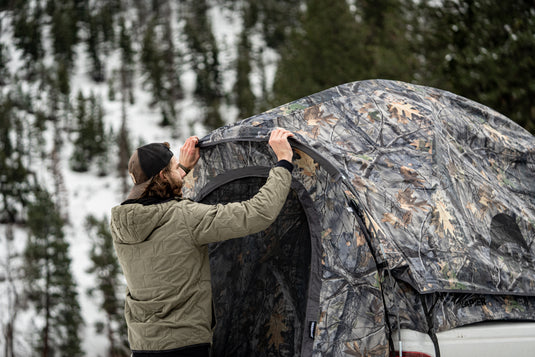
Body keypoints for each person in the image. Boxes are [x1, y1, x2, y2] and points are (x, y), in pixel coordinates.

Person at [110, 128, 295, 357]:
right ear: (162, 176)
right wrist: (284, 163)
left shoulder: (121, 224)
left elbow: (156, 206)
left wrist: (182, 171)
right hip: (186, 346)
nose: (179, 169)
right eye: (174, 167)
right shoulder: (185, 217)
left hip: (142, 346)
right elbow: (257, 213)